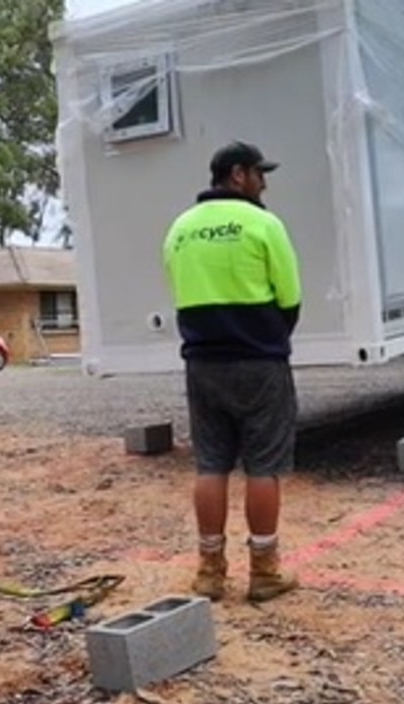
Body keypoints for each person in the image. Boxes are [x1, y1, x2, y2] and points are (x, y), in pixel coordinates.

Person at [161, 141, 303, 603]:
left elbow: (178, 289)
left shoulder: (180, 229)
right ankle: (264, 572)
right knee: (263, 467)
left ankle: (210, 572)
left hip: (203, 364)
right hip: (259, 362)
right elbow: (290, 298)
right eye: (260, 174)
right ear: (238, 175)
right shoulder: (263, 224)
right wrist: (267, 338)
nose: (264, 183)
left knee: (211, 464)